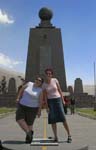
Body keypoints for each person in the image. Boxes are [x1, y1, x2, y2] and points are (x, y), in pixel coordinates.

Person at [42, 68, 72, 143]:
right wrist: (46, 106)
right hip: (50, 102)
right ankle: (56, 137)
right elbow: (45, 96)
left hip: (58, 100)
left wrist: (62, 100)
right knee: (53, 120)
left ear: (52, 74)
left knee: (63, 118)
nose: (49, 75)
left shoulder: (55, 80)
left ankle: (69, 135)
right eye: (47, 73)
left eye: (50, 73)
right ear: (45, 75)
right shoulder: (44, 84)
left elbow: (59, 90)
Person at [16, 76, 44, 143]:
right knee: (19, 119)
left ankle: (28, 138)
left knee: (29, 124)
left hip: (32, 109)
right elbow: (21, 89)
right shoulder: (29, 84)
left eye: (40, 81)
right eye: (37, 79)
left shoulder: (40, 90)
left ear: (41, 83)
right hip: (22, 105)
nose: (38, 81)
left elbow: (40, 102)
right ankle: (29, 133)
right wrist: (18, 97)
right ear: (35, 79)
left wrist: (39, 111)